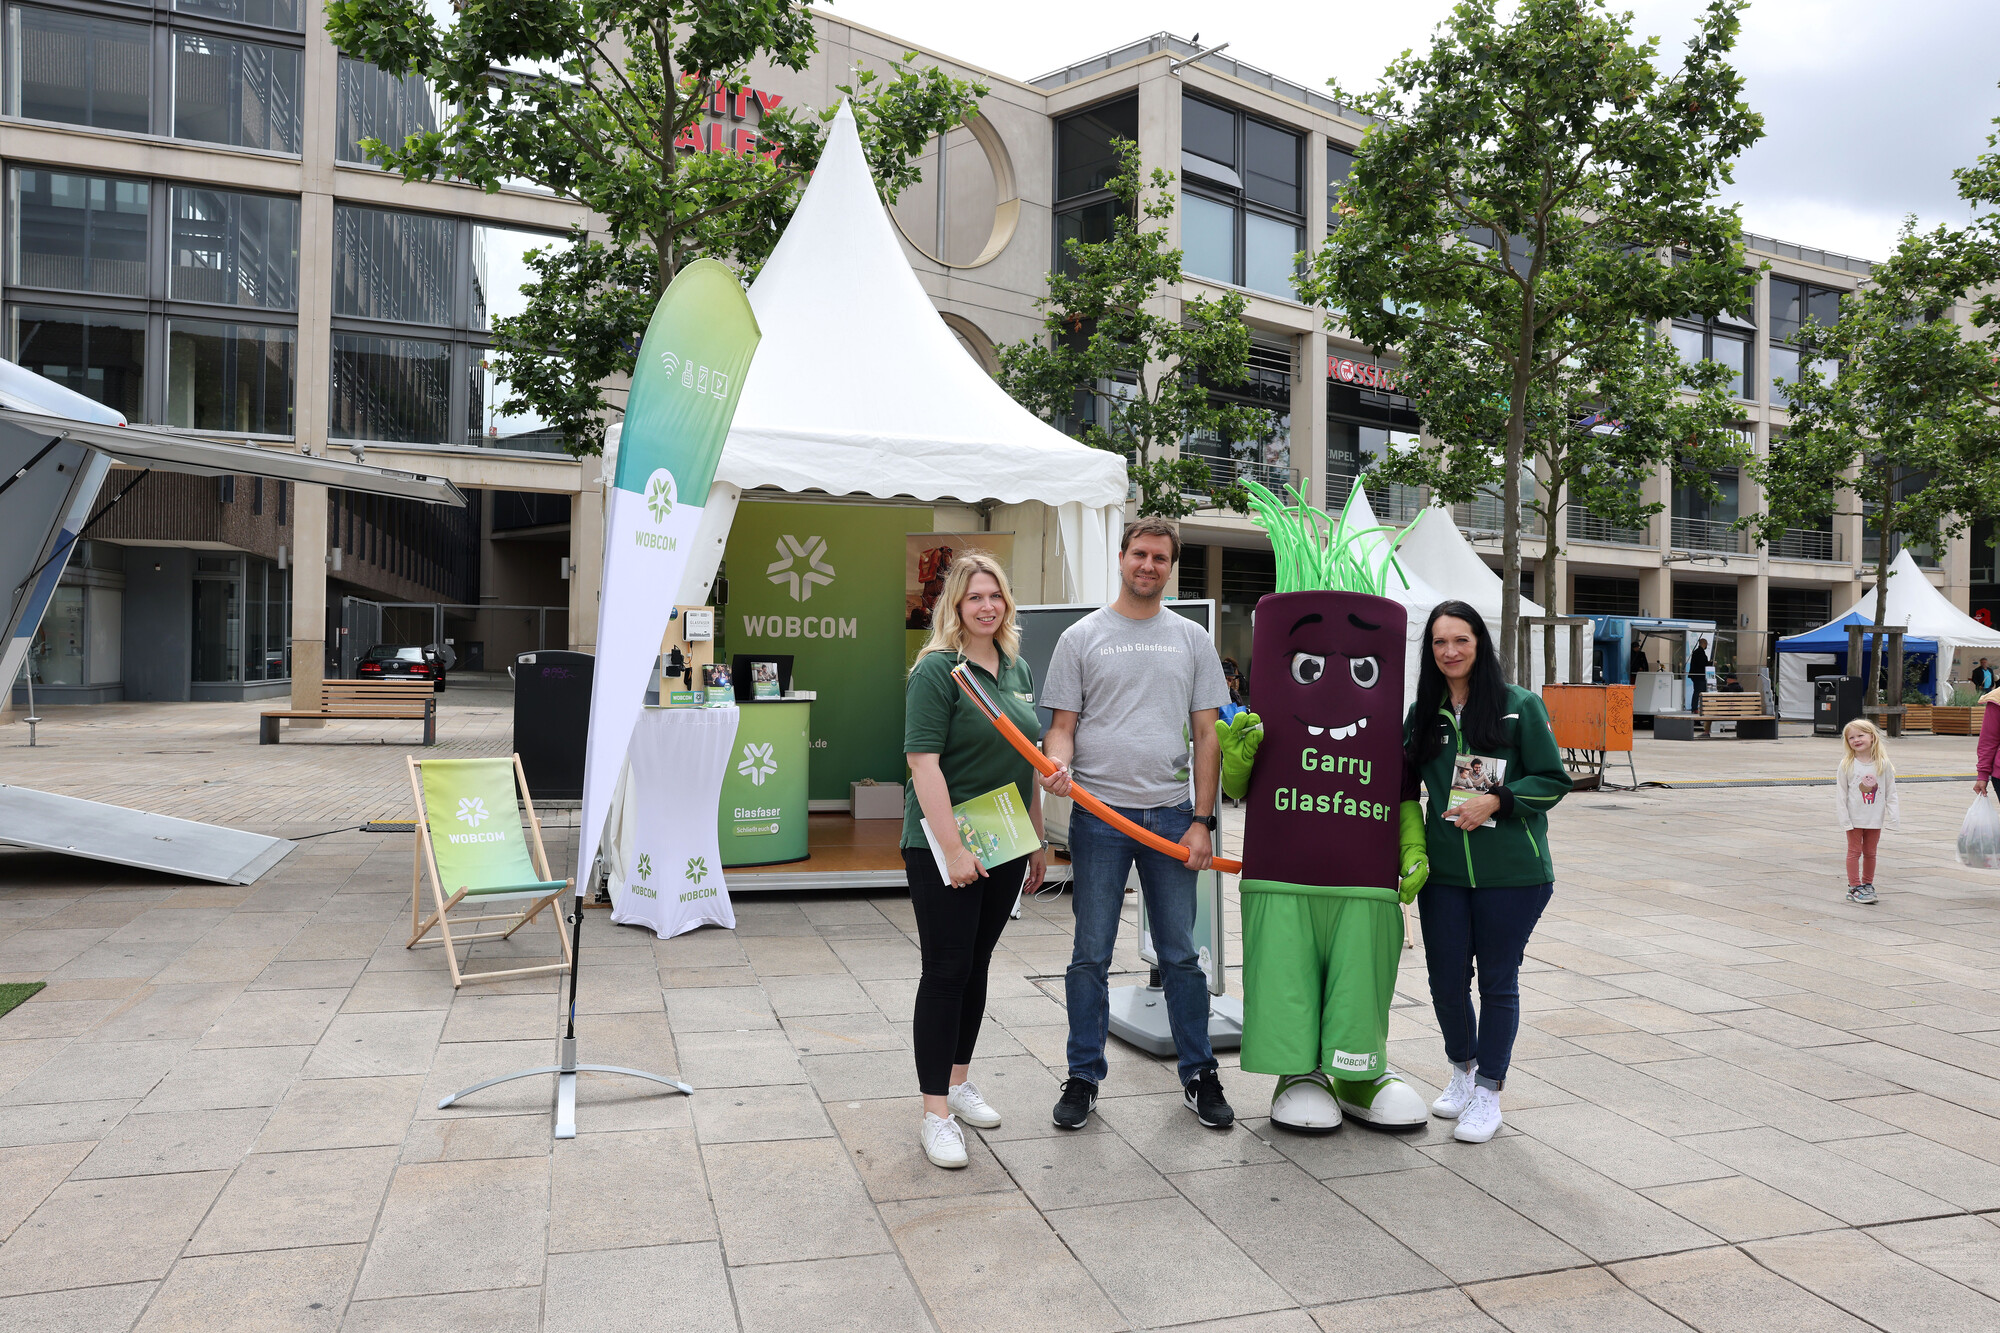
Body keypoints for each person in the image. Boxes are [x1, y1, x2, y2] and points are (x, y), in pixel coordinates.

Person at [1041, 517, 1234, 1131]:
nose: (1148, 566)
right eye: (1139, 555)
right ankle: (1082, 1076)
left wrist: (1203, 821)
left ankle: (1199, 1073)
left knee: (1181, 954)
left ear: (1170, 566)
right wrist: (1059, 766)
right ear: (1121, 558)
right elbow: (1062, 727)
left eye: (1159, 558)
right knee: (1089, 954)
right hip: (1099, 817)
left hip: (1174, 818)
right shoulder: (1082, 637)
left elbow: (1209, 735)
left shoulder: (1192, 639)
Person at [1404, 602, 1570, 1144]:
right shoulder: (1423, 713)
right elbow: (1399, 783)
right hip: (1445, 874)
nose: (1450, 651)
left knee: (1498, 981)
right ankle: (1464, 1069)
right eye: (1439, 642)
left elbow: (1551, 780)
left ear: (1481, 644)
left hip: (1513, 875)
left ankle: (1490, 1094)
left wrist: (1497, 800)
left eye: (1461, 641)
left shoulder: (1518, 706)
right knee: (1446, 981)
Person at [902, 552, 1047, 1169]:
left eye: (995, 596)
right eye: (973, 598)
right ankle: (935, 1113)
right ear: (954, 607)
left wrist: (1037, 838)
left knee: (978, 963)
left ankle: (958, 1082)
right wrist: (954, 849)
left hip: (1005, 834)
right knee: (945, 969)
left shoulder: (1014, 668)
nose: (987, 606)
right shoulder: (939, 671)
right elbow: (922, 762)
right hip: (945, 839)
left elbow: (1030, 756)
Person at [1835, 718, 1898, 906]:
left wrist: (1894, 817)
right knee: (1854, 851)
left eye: (1860, 735)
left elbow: (1891, 792)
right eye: (1851, 738)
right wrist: (1844, 819)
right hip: (1854, 819)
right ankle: (1854, 886)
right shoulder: (1847, 764)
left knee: (1871, 852)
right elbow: (1841, 794)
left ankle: (1868, 884)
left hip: (1874, 818)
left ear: (1872, 737)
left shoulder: (1883, 764)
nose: (1856, 740)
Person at [1687, 637, 1712, 710]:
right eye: (1706, 644)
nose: (1706, 645)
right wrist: (1710, 663)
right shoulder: (1699, 652)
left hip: (1698, 676)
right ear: (1704, 644)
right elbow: (1702, 664)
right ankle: (1695, 708)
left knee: (1699, 691)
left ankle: (1698, 707)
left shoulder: (1698, 652)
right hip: (1699, 676)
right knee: (1698, 692)